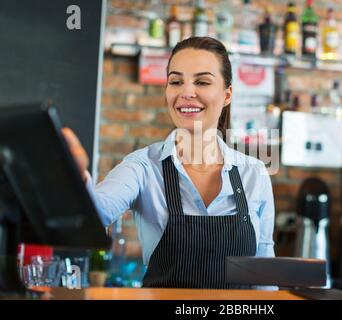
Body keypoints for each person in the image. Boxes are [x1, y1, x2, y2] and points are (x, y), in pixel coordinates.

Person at [63, 37, 276, 289]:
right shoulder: (143, 167)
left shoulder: (253, 174)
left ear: (227, 94)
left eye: (202, 82)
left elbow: (264, 274)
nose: (186, 92)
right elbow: (95, 215)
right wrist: (74, 175)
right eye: (176, 81)